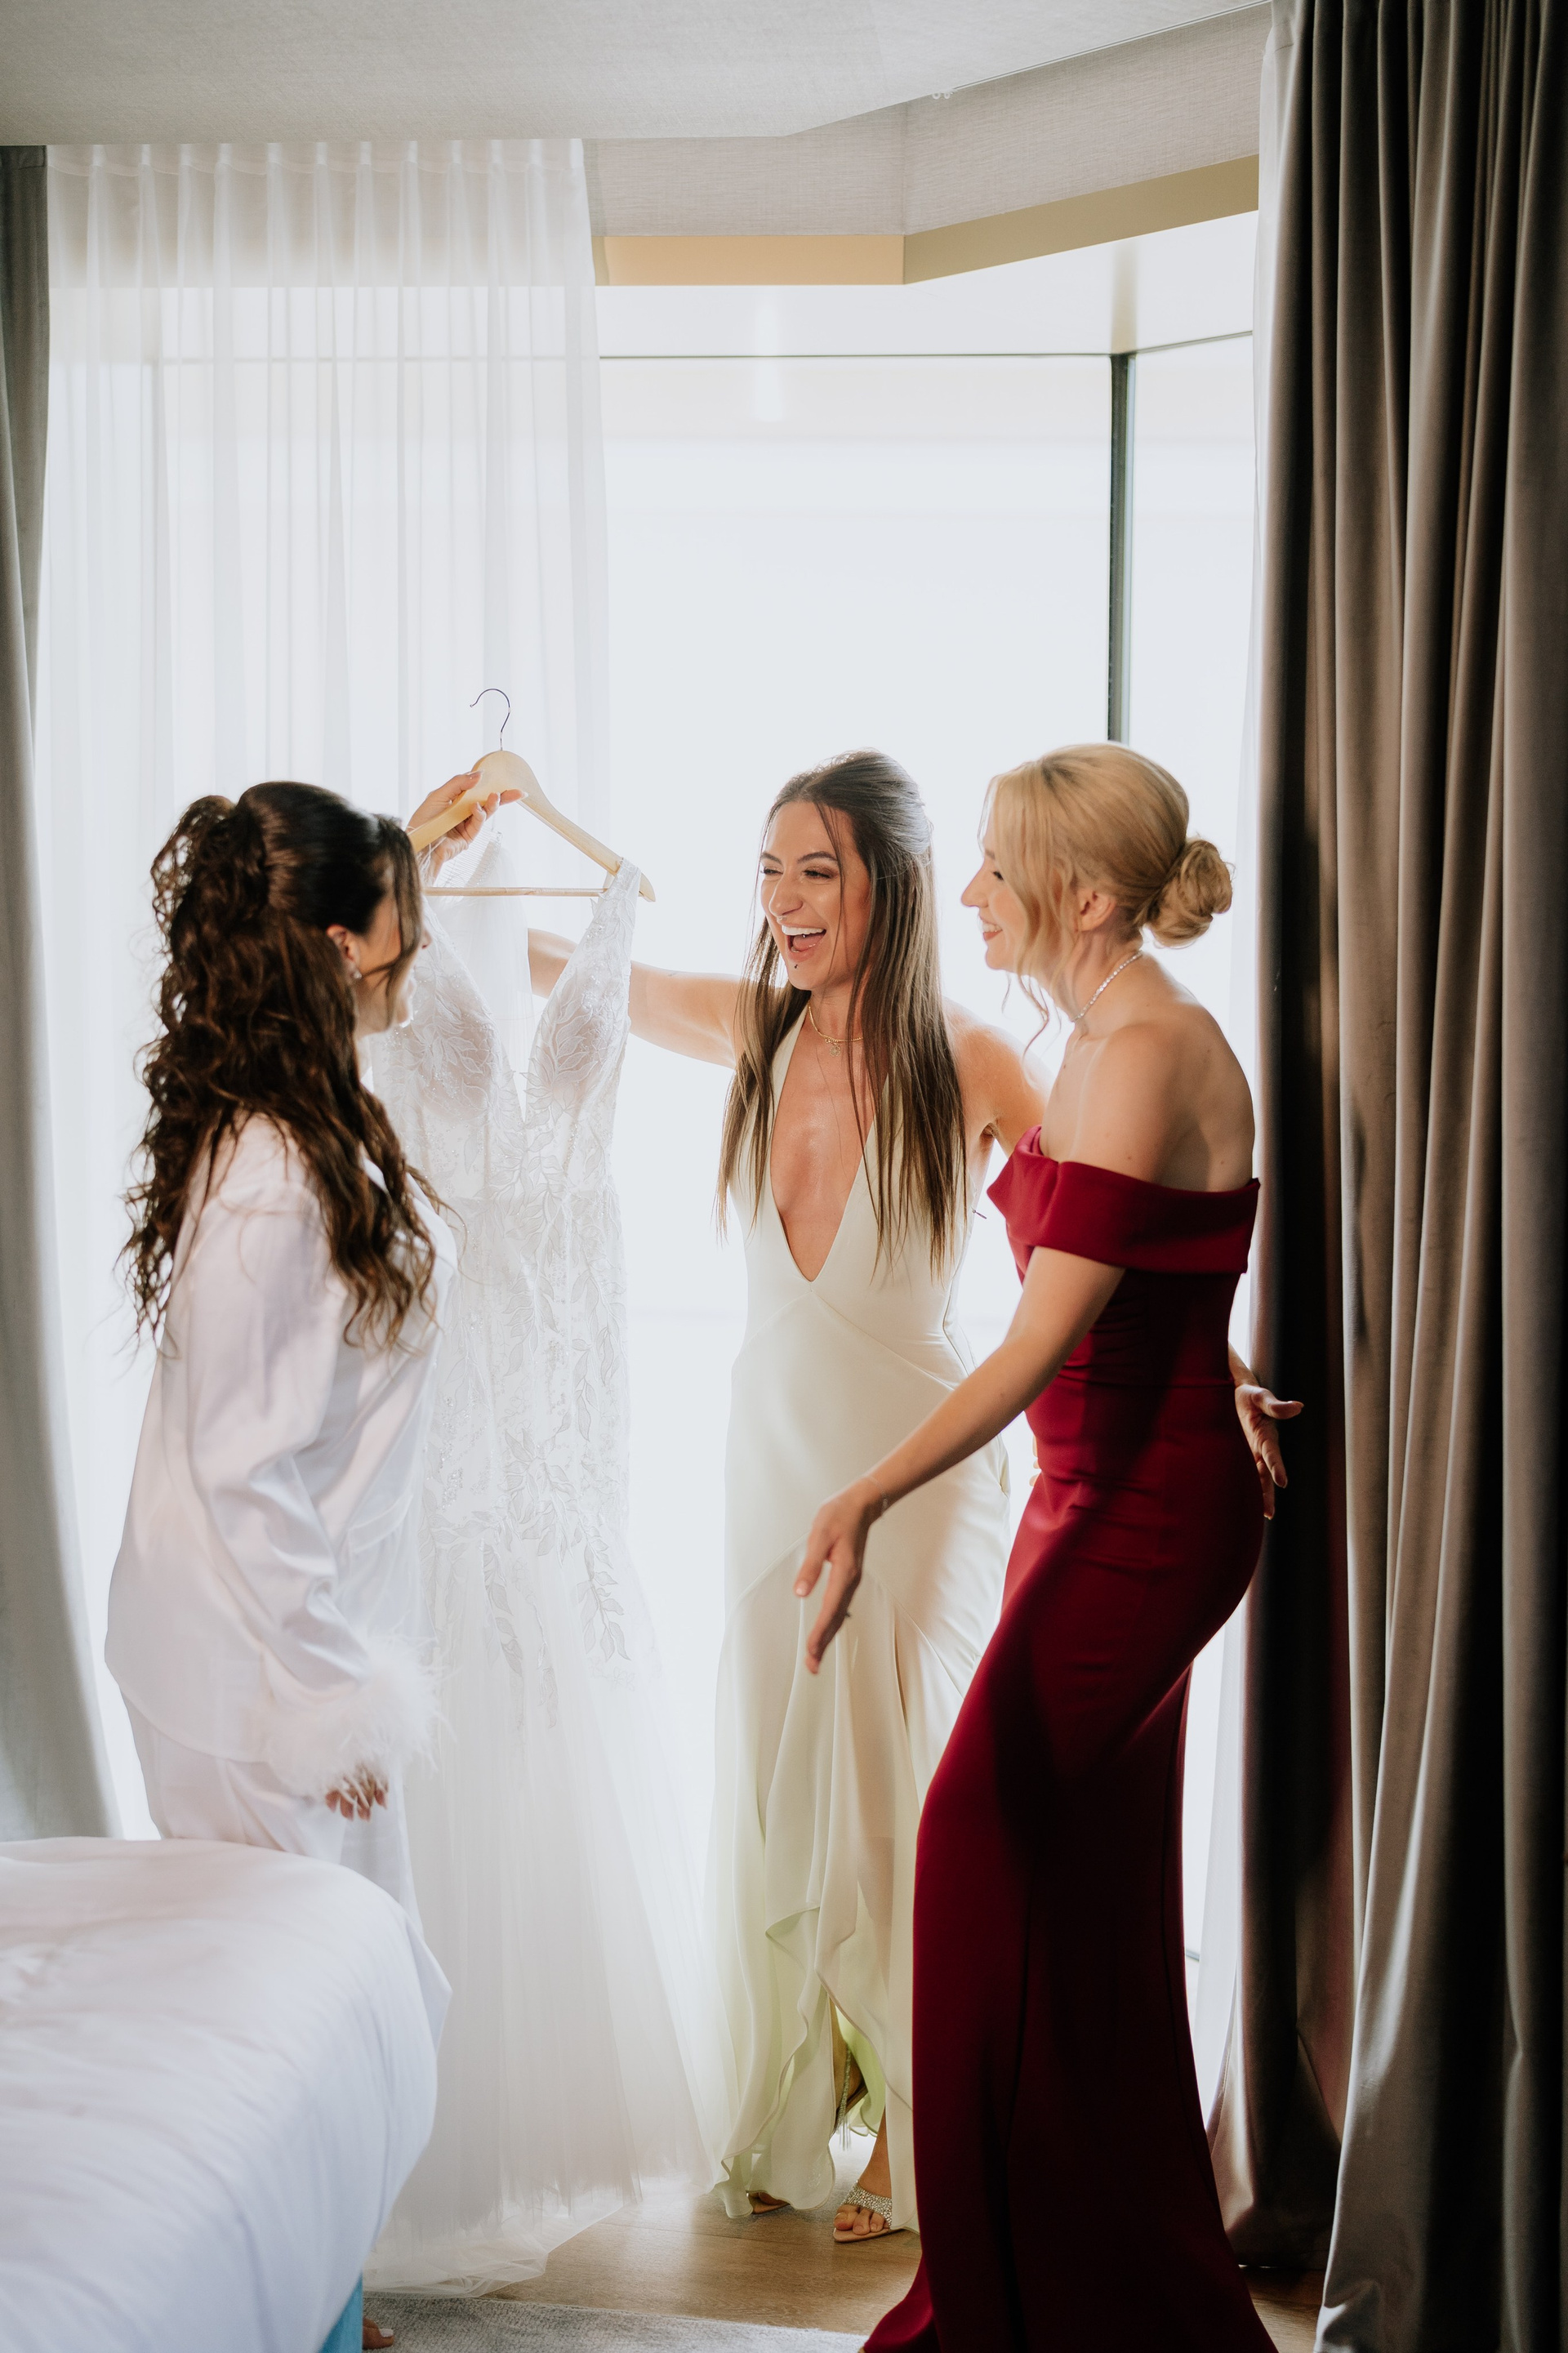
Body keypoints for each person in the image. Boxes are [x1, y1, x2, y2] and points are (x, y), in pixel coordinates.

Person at [796, 743, 1302, 2349]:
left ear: (1080, 896)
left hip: (1144, 1512)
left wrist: (863, 1495)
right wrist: (1222, 1363)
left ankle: (991, 2302)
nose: (972, 893)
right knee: (1080, 1901)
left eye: (999, 869)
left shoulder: (1148, 1048)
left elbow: (1041, 1337)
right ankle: (1100, 2290)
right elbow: (1161, 1268)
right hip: (1091, 1492)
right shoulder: (1092, 1041)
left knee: (970, 1838)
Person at [527, 750, 1040, 2240]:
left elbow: (1098, 1229)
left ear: (894, 884)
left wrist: (1224, 1363)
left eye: (819, 871)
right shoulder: (756, 1030)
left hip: (923, 1460)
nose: (786, 901)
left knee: (886, 1772)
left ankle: (913, 2134)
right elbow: (593, 980)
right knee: (775, 1765)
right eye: (769, 870)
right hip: (768, 1459)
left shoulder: (972, 1056)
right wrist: (433, 894)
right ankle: (799, 2099)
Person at [107, 773, 501, 2353]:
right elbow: (242, 1466)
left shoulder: (298, 1117)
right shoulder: (277, 1171)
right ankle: (302, 2313)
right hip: (253, 1672)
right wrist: (336, 1693)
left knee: (330, 2010)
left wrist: (413, 842)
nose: (422, 942)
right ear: (343, 944)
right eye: (404, 914)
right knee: (307, 2021)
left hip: (277, 1642)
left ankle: (322, 2300)